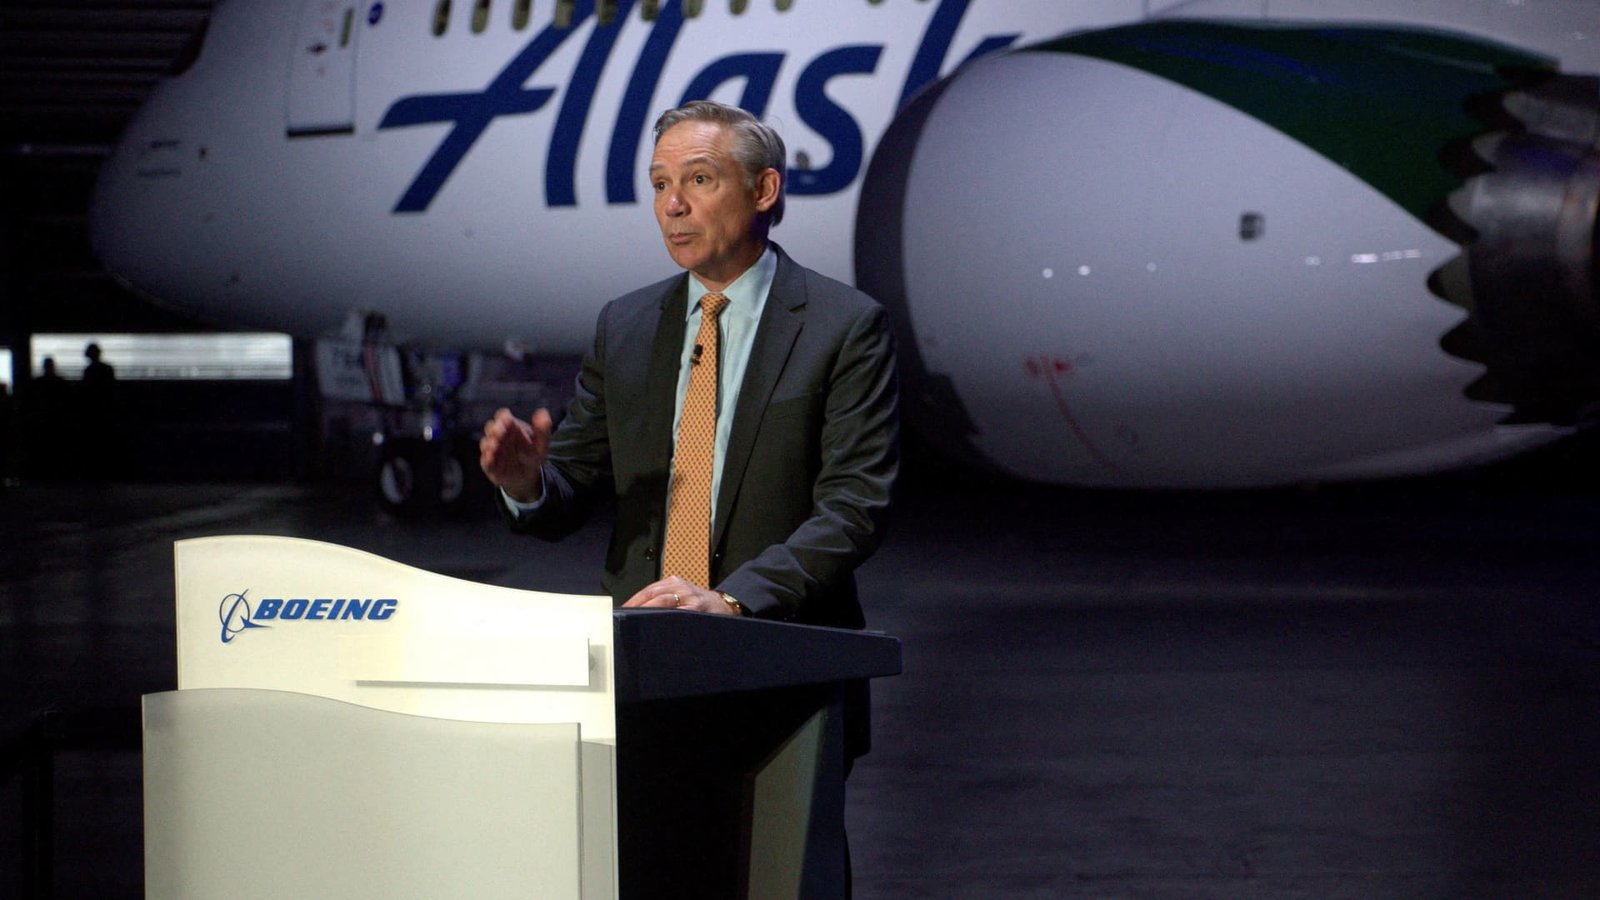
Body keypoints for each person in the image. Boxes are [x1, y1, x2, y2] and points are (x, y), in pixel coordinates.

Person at [479, 100, 899, 629]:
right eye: (660, 185)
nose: (673, 205)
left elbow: (854, 508)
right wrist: (527, 485)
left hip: (783, 642)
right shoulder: (625, 326)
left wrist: (733, 600)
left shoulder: (843, 325)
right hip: (643, 640)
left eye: (699, 179)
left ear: (764, 190)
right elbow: (570, 487)